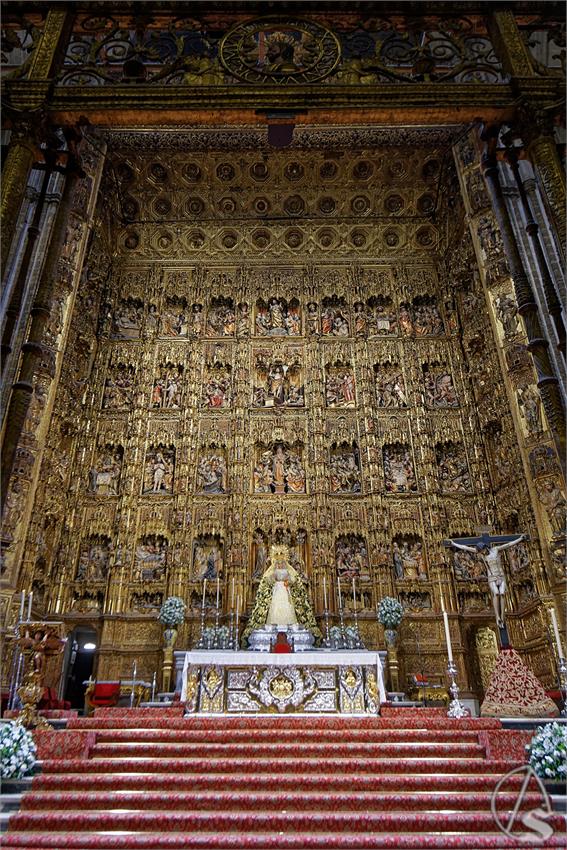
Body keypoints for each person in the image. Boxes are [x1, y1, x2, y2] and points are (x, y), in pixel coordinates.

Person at [242, 545, 321, 645]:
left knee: (287, 606)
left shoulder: (288, 570)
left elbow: (293, 579)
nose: (279, 564)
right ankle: (273, 628)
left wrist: (288, 581)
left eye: (281, 562)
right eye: (278, 562)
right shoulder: (273, 571)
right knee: (275, 606)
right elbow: (269, 580)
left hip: (285, 590)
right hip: (277, 590)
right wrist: (273, 578)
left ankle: (290, 628)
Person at [447, 535, 525, 627]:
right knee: (496, 593)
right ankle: (497, 617)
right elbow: (465, 547)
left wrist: (520, 539)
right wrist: (453, 543)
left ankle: (502, 617)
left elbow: (508, 544)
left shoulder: (495, 549)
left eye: (482, 550)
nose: (482, 552)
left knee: (502, 594)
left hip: (501, 575)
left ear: (485, 547)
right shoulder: (482, 555)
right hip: (492, 577)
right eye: (480, 551)